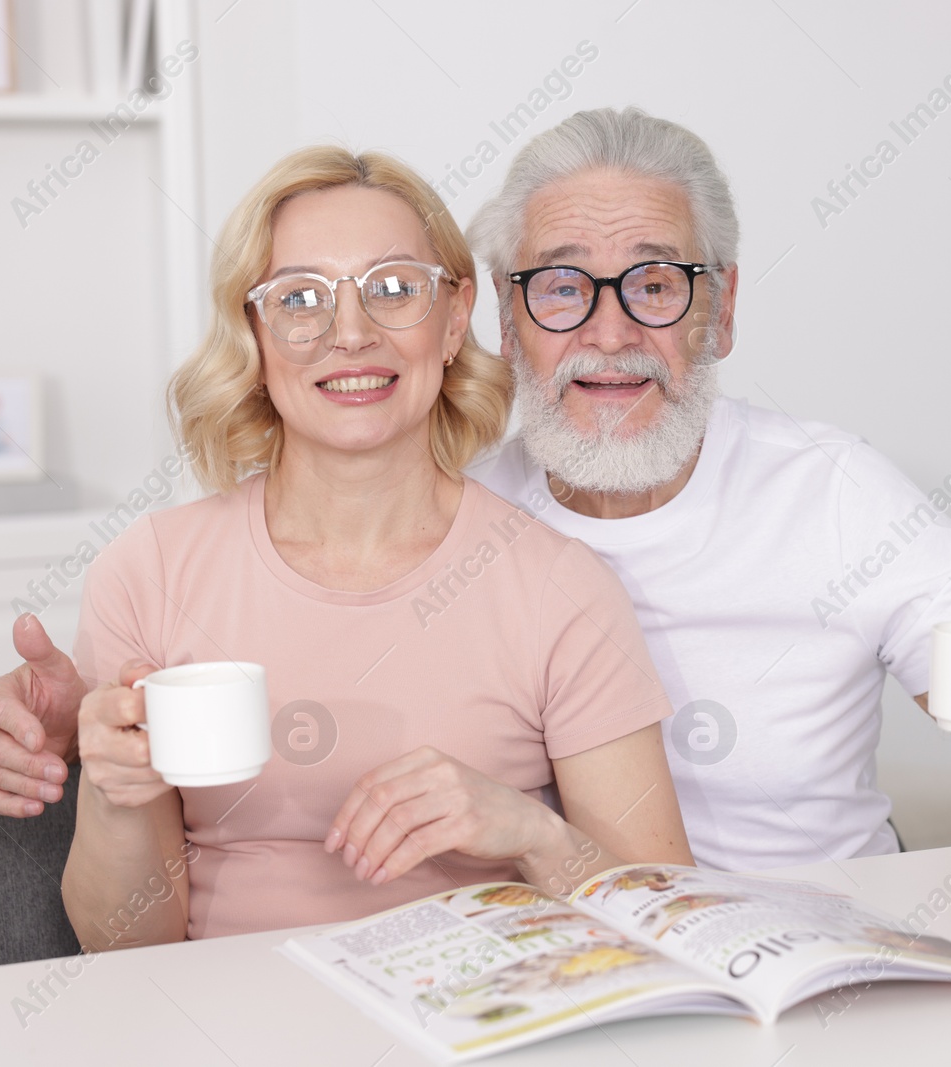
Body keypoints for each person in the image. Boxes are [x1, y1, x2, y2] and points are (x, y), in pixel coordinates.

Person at [0, 109, 951, 875]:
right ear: (506, 322)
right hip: (566, 976)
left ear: (723, 307)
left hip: (806, 979)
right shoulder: (451, 496)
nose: (607, 333)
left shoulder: (844, 504)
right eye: (561, 287)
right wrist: (63, 725)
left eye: (655, 282)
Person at [55, 145, 690, 947]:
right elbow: (126, 949)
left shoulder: (559, 588)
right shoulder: (147, 573)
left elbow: (668, 920)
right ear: (254, 332)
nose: (349, 334)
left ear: (455, 319)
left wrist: (533, 831)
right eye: (300, 298)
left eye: (394, 290)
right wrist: (114, 796)